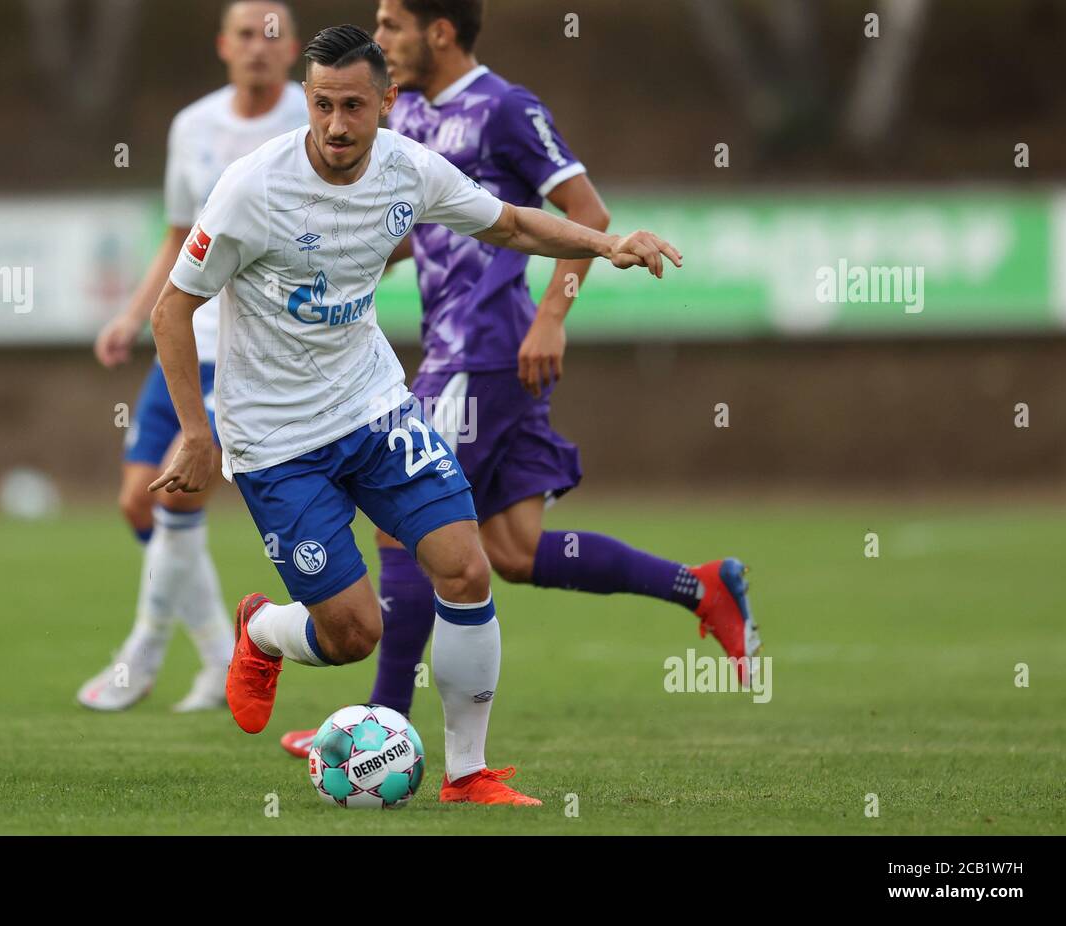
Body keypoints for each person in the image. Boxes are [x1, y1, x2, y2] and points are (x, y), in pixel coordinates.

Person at [148, 25, 683, 805]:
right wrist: (198, 434)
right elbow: (172, 309)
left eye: (354, 106)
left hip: (374, 409)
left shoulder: (408, 169)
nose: (336, 125)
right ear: (307, 100)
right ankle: (262, 629)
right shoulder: (250, 189)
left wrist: (606, 244)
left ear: (385, 102)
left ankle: (468, 775)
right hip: (275, 441)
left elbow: (510, 221)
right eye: (323, 105)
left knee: (466, 569)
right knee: (350, 633)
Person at [279, 0, 763, 757]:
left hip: (488, 353)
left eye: (393, 24)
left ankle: (377, 727)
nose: (380, 40)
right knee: (514, 550)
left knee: (402, 527)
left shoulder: (504, 109)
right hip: (458, 347)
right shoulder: (407, 118)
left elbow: (585, 210)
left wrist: (553, 317)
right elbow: (427, 226)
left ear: (439, 30)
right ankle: (701, 586)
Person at [77, 0, 307, 712]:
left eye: (272, 35)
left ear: (294, 46)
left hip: (253, 345)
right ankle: (216, 654)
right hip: (185, 338)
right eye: (245, 34)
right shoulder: (195, 126)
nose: (258, 47)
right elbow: (180, 235)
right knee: (137, 501)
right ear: (223, 45)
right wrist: (131, 314)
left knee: (180, 491)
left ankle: (140, 657)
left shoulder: (316, 116)